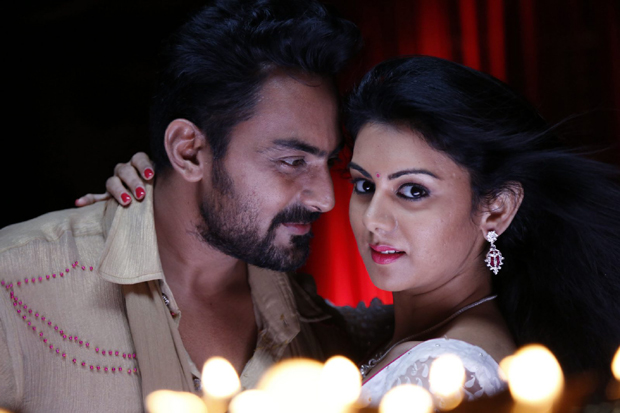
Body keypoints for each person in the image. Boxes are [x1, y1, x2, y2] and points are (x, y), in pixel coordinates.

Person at [106, 55, 620, 408]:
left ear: (496, 210)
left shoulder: (447, 373)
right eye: (364, 185)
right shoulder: (384, 333)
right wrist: (166, 194)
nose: (373, 218)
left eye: (413, 190)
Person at [0, 1, 362, 411]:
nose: (326, 198)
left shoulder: (318, 327)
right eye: (293, 161)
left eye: (328, 162)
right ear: (188, 152)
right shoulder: (14, 285)